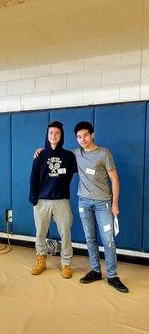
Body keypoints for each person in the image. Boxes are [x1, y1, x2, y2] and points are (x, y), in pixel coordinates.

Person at [34, 121, 129, 293]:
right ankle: (95, 270)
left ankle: (113, 276)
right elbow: (56, 152)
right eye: (79, 137)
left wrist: (115, 203)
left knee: (108, 240)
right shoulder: (74, 154)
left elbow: (115, 179)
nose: (82, 139)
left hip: (103, 203)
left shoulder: (104, 153)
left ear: (92, 135)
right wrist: (41, 150)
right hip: (84, 202)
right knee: (90, 239)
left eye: (86, 135)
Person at [29, 121, 77, 279]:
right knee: (40, 232)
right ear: (47, 135)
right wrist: (33, 198)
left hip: (61, 200)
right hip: (42, 201)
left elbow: (82, 167)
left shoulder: (69, 156)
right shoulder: (40, 155)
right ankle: (41, 260)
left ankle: (66, 263)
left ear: (61, 135)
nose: (54, 136)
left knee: (65, 233)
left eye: (57, 133)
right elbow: (33, 178)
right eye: (51, 133)